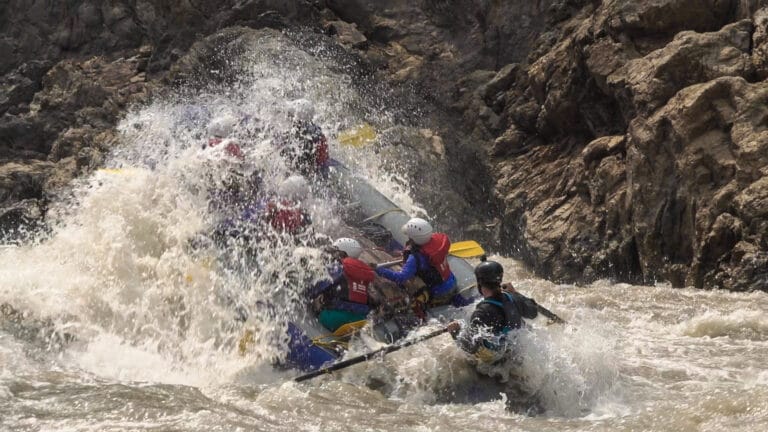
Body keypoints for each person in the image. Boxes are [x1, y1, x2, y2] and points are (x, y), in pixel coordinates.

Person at [446, 259, 539, 364]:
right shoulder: (513, 298)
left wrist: (456, 332)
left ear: (479, 284)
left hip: (497, 365)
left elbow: (471, 348)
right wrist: (516, 293)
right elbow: (533, 312)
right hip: (518, 355)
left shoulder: (481, 313)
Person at [373, 218, 458, 317]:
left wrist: (379, 270)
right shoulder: (434, 242)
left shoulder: (415, 258)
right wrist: (403, 254)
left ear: (414, 238)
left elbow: (401, 278)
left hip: (440, 293)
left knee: (411, 287)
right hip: (452, 282)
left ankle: (422, 314)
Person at [308, 238, 377, 332]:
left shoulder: (338, 267)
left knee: (315, 305)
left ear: (343, 254)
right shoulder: (362, 272)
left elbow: (316, 288)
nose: (333, 254)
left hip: (335, 319)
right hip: (359, 320)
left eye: (336, 252)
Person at [280, 99, 329, 177]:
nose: (288, 117)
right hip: (321, 168)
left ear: (297, 119)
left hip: (309, 176)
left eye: (290, 115)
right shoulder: (316, 130)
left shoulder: (299, 138)